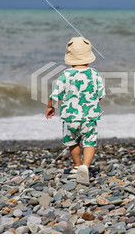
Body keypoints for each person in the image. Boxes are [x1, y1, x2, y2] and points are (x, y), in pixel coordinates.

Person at [45, 37, 105, 185]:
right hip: (89, 117)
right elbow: (101, 94)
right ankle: (86, 166)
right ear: (89, 56)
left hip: (70, 118)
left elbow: (55, 94)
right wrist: (92, 104)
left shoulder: (66, 75)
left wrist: (49, 107)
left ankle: (77, 165)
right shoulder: (94, 74)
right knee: (89, 142)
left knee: (73, 142)